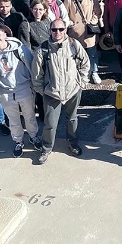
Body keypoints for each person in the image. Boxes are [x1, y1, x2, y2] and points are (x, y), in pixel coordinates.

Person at [32, 19, 90, 164]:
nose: (57, 32)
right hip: (52, 93)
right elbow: (36, 75)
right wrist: (42, 91)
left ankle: (73, 143)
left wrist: (81, 83)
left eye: (61, 29)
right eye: (54, 29)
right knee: (50, 123)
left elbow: (85, 63)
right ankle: (46, 148)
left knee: (72, 119)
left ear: (65, 30)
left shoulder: (73, 45)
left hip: (72, 90)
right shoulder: (43, 49)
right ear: (50, 30)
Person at [0, 25, 42, 158]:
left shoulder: (20, 49)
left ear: (5, 35)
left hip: (24, 87)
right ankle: (18, 140)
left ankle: (33, 136)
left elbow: (31, 66)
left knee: (29, 115)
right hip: (4, 90)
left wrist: (34, 85)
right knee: (13, 118)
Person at [66, 0, 104, 84]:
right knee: (77, 53)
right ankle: (81, 74)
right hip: (75, 31)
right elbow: (65, 13)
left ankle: (94, 72)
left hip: (88, 30)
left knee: (92, 52)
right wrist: (71, 23)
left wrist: (92, 21)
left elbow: (98, 11)